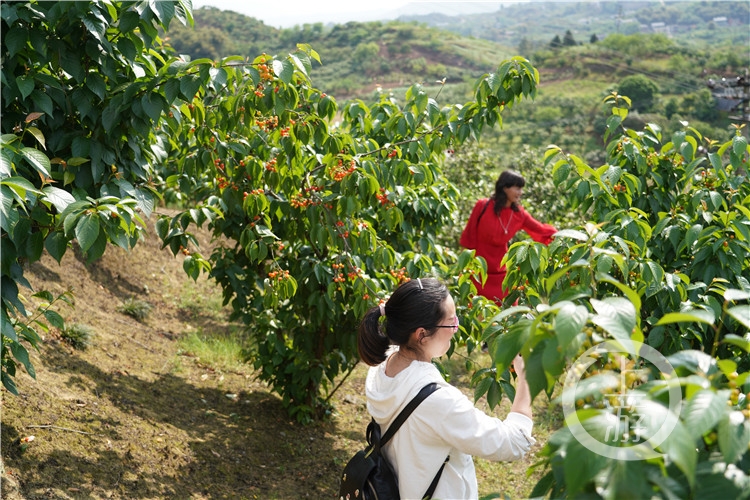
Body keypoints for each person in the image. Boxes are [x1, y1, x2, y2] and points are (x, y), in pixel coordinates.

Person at [358, 277, 535, 500]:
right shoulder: (438, 401)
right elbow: (515, 443)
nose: (456, 328)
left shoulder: (381, 366)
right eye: (451, 322)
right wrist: (527, 378)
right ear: (421, 334)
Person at [460, 170, 557, 306]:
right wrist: (464, 269)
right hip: (478, 273)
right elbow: (468, 236)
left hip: (502, 275)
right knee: (478, 316)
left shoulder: (519, 214)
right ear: (505, 187)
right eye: (517, 188)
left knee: (507, 318)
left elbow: (540, 230)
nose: (520, 193)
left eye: (521, 189)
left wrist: (563, 237)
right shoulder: (482, 206)